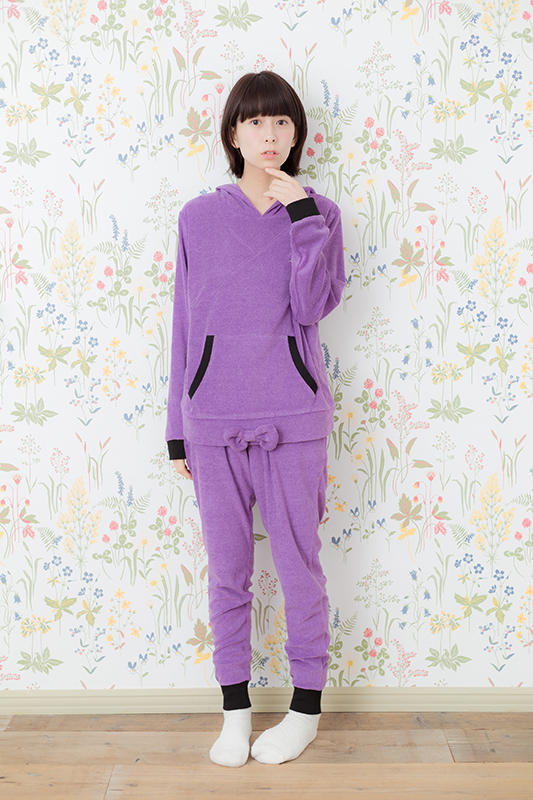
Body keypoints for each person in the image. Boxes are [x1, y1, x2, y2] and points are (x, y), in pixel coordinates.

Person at [165, 70, 346, 767]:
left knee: (300, 569)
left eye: (282, 122)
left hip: (293, 418)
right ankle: (235, 712)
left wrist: (301, 219)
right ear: (233, 133)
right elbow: (184, 328)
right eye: (255, 122)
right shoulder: (197, 218)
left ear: (296, 134)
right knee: (227, 574)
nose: (270, 135)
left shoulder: (319, 213)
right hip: (212, 421)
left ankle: (305, 711)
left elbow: (312, 306)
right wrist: (176, 429)